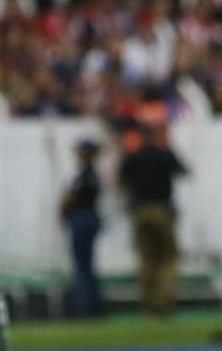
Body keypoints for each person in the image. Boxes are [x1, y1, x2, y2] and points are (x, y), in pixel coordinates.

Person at [118, 125, 188, 316]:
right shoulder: (165, 155)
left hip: (139, 211)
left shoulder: (132, 157)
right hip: (161, 210)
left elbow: (120, 182)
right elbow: (186, 173)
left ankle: (148, 304)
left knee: (146, 259)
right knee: (168, 257)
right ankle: (163, 301)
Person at [60, 139, 103, 317]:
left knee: (82, 264)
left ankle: (85, 306)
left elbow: (71, 197)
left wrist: (63, 206)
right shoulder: (92, 174)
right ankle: (91, 303)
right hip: (89, 218)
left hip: (82, 218)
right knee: (86, 264)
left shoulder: (84, 174)